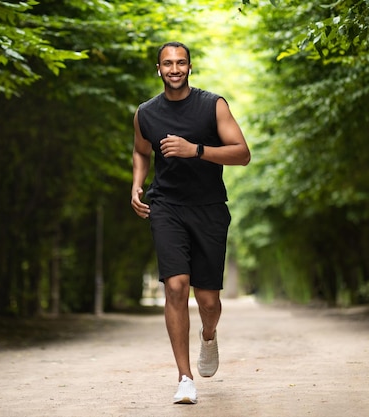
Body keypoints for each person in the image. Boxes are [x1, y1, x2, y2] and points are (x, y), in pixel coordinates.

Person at [130, 41, 251, 404]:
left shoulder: (212, 105)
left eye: (181, 62)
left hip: (209, 207)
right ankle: (184, 378)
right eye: (167, 63)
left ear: (189, 67)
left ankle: (209, 336)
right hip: (166, 206)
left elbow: (242, 154)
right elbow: (141, 150)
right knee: (176, 287)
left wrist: (195, 149)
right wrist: (137, 184)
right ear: (159, 69)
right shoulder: (146, 113)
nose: (174, 68)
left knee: (209, 301)